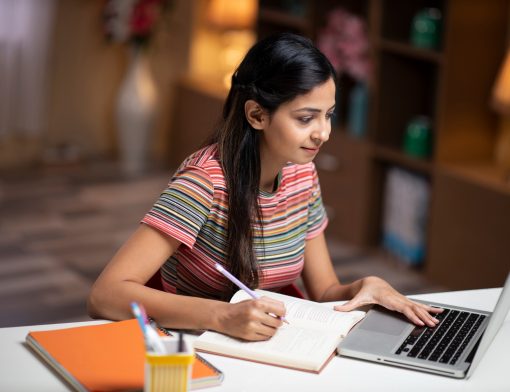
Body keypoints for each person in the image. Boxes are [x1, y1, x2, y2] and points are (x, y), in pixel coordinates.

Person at [87, 33, 441, 341]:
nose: (323, 132)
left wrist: (363, 287)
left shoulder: (303, 176)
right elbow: (105, 295)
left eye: (328, 114)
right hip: (190, 346)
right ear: (257, 115)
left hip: (269, 340)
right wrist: (222, 316)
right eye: (306, 118)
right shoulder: (204, 182)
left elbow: (324, 292)